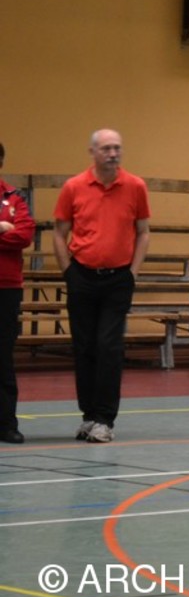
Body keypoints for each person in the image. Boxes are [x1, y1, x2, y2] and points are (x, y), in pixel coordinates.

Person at [52, 129, 151, 444]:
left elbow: (143, 231)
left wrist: (133, 272)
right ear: (92, 152)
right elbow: (59, 232)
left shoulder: (135, 186)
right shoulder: (74, 186)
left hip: (118, 278)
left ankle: (105, 419)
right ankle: (89, 416)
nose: (113, 153)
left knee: (109, 347)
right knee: (84, 347)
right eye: (106, 148)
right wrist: (68, 271)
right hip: (82, 276)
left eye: (117, 148)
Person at [0, 143, 35, 444]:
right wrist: (1, 228)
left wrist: (9, 229)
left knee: (3, 357)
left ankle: (6, 424)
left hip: (6, 287)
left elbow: (24, 235)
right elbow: (11, 234)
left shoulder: (14, 197)